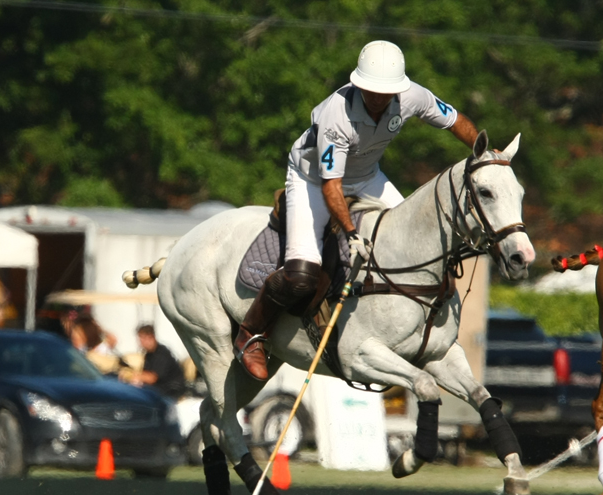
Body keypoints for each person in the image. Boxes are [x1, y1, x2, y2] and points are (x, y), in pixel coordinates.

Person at [235, 40, 483, 380]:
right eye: (370, 90)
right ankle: (251, 334)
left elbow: (454, 119)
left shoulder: (412, 96)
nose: (378, 99)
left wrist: (485, 153)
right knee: (302, 274)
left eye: (386, 92)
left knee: (419, 239)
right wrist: (352, 234)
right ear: (358, 84)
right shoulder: (336, 115)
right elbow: (331, 186)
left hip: (368, 177)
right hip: (312, 180)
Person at [128, 324, 186, 398]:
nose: (140, 343)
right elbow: (146, 374)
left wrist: (129, 376)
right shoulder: (149, 354)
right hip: (160, 389)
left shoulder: (162, 353)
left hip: (171, 391)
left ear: (150, 337)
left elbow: (152, 378)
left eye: (141, 339)